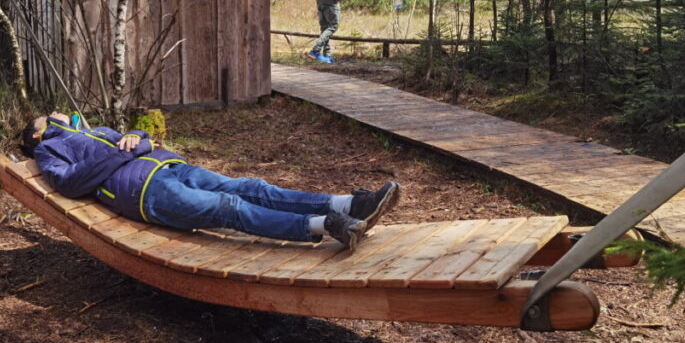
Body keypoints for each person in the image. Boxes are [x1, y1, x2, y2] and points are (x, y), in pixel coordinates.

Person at [20, 112, 400, 251]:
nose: (55, 112)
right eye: (45, 116)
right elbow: (69, 184)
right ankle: (324, 227)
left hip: (168, 165)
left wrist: (138, 137)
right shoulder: (48, 151)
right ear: (39, 133)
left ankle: (346, 205)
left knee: (251, 186)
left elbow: (142, 140)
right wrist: (125, 151)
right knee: (228, 207)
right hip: (143, 192)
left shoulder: (95, 129)